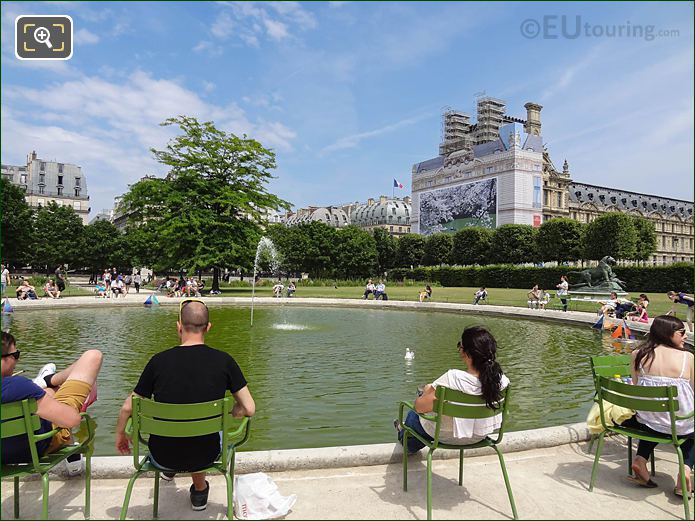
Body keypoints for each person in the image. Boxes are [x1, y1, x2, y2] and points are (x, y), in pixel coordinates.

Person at [115, 300, 255, 511]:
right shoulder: (224, 361)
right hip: (206, 454)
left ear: (179, 326)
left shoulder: (158, 362)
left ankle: (169, 470)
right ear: (208, 327)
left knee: (178, 430)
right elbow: (249, 408)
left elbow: (128, 407)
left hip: (162, 453)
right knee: (203, 433)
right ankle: (199, 492)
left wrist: (120, 436)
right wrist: (235, 410)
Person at [395, 326, 510, 453]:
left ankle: (403, 433)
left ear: (465, 352)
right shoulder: (502, 380)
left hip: (446, 436)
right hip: (479, 435)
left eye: (460, 345)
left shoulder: (453, 378)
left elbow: (419, 407)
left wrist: (428, 391)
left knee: (413, 415)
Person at [1, 331, 102, 472]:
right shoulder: (17, 385)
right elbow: (71, 420)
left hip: (3, 458)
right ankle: (46, 380)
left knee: (47, 393)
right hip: (36, 450)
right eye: (15, 355)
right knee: (93, 356)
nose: (17, 361)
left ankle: (46, 380)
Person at [622, 315, 693, 496]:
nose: (686, 336)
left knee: (656, 423)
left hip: (648, 419)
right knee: (689, 430)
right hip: (679, 422)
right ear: (667, 334)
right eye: (682, 332)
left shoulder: (638, 354)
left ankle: (640, 459)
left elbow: (636, 387)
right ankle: (685, 470)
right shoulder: (687, 357)